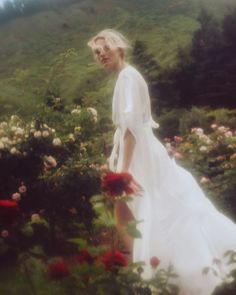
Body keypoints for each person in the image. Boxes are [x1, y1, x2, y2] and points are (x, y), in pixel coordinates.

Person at [87, 29, 236, 295]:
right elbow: (128, 130)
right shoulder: (128, 75)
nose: (101, 55)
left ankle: (151, 274)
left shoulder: (127, 77)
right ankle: (150, 271)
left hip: (140, 156)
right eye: (97, 52)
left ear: (119, 46)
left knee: (141, 212)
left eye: (105, 48)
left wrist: (122, 173)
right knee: (143, 211)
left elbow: (131, 128)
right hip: (142, 152)